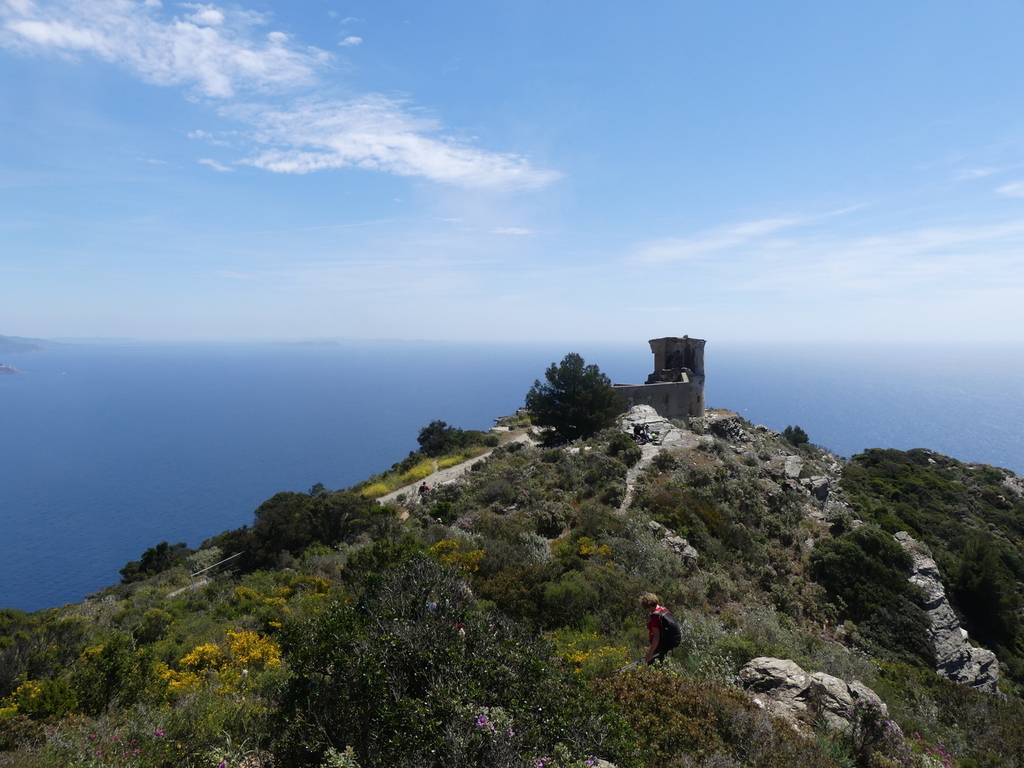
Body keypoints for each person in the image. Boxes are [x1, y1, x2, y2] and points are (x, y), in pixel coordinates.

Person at [640, 592, 682, 664]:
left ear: (648, 606)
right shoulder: (663, 609)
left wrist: (650, 653)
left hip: (660, 646)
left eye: (646, 608)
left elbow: (656, 637)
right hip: (667, 645)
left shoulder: (655, 616)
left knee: (653, 667)